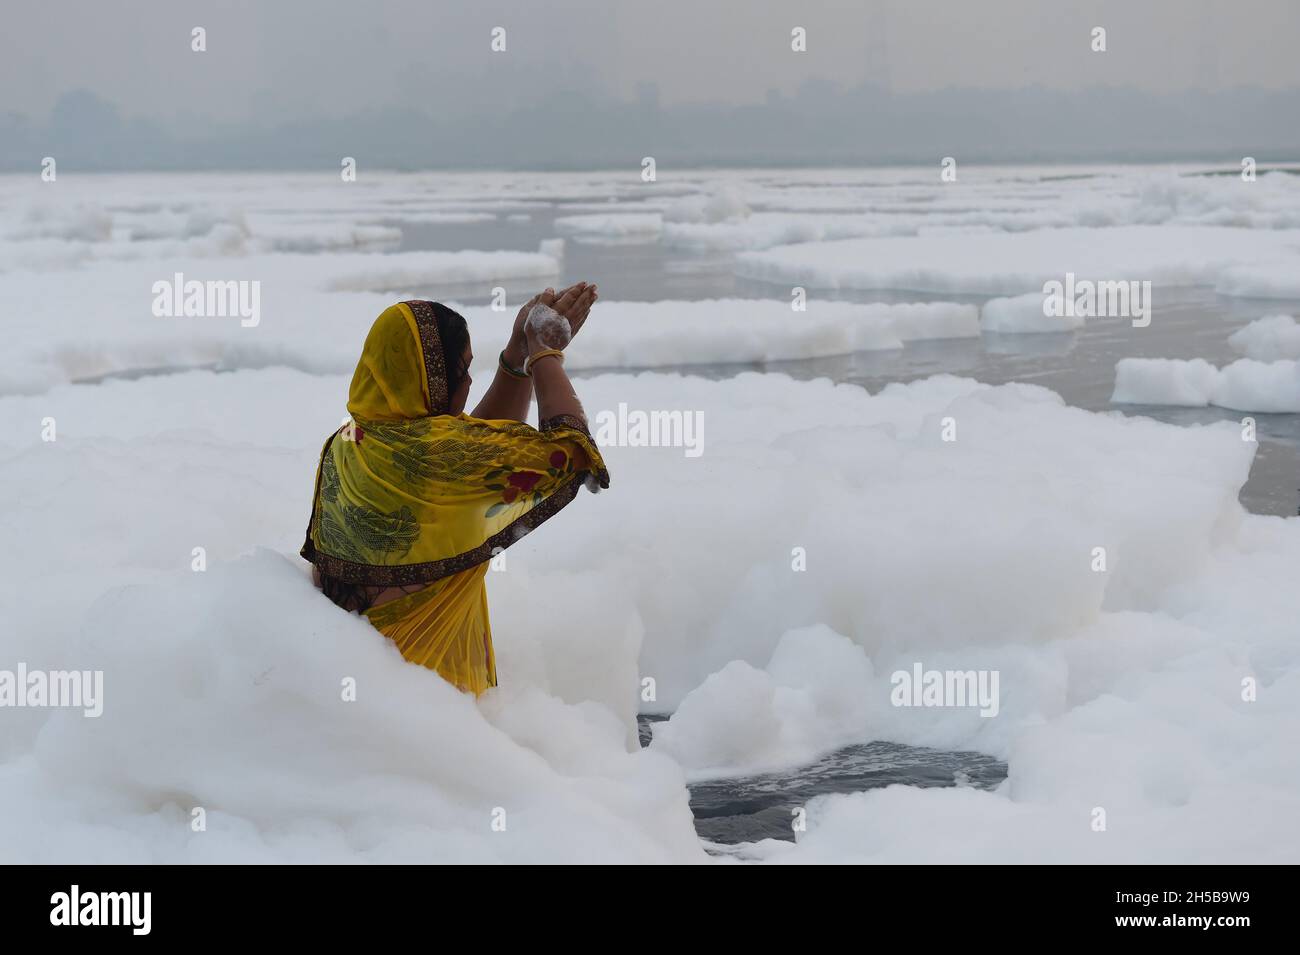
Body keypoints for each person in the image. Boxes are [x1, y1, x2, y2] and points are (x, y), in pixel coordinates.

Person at [300, 284, 607, 695]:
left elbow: (466, 457)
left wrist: (516, 358)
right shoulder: (437, 460)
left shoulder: (348, 443)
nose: (465, 385)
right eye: (459, 371)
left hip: (362, 701)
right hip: (436, 710)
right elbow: (572, 452)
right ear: (429, 378)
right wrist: (545, 355)